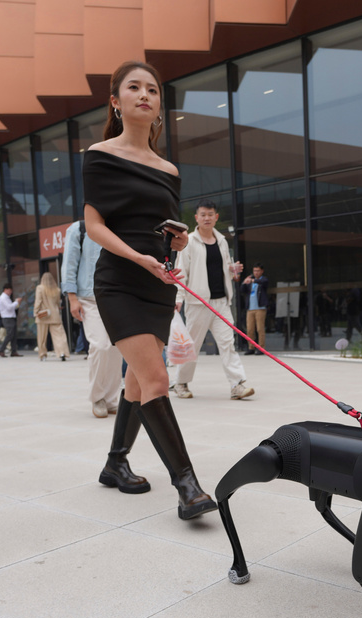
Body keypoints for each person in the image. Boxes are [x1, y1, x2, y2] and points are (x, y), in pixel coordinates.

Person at [82, 60, 216, 520]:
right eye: (134, 88)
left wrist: (176, 242)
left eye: (153, 90)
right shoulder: (99, 154)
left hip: (159, 280)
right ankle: (188, 486)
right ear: (116, 102)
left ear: (159, 105)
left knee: (138, 383)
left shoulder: (168, 169)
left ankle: (115, 463)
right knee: (158, 379)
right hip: (120, 280)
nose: (145, 95)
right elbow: (93, 225)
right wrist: (137, 257)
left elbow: (165, 227)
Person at [172, 200, 254, 401]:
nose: (207, 218)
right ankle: (181, 383)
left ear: (216, 217)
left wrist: (232, 270)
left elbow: (225, 265)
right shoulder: (189, 241)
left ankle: (237, 384)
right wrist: (178, 297)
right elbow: (181, 271)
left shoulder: (222, 241)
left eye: (210, 214)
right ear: (196, 218)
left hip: (221, 302)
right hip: (198, 302)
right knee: (192, 346)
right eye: (203, 214)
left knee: (228, 344)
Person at [62, 219, 123, 418]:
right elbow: (69, 263)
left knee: (116, 349)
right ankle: (97, 397)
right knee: (100, 345)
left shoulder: (116, 227)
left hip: (116, 296)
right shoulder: (79, 229)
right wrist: (72, 298)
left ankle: (112, 398)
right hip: (89, 298)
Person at [32, 272, 69, 361]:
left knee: (42, 337)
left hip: (43, 315)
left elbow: (38, 301)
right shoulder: (57, 289)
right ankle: (62, 353)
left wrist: (35, 312)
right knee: (59, 335)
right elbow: (57, 303)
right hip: (55, 315)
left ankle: (43, 355)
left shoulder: (40, 288)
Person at [241, 263, 268, 355]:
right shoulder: (250, 282)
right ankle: (251, 347)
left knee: (260, 329)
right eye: (254, 271)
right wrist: (244, 282)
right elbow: (242, 290)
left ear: (262, 271)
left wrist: (252, 280)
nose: (256, 273)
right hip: (250, 308)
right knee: (249, 329)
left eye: (258, 271)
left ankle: (261, 348)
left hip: (260, 308)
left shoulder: (263, 280)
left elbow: (263, 282)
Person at [0, 284, 23, 357]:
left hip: (11, 317)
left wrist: (17, 304)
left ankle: (14, 351)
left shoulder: (7, 297)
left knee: (13, 335)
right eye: (10, 290)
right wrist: (16, 302)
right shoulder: (3, 297)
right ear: (6, 289)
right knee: (10, 334)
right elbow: (9, 307)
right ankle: (1, 350)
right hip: (7, 318)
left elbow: (12, 308)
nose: (11, 292)